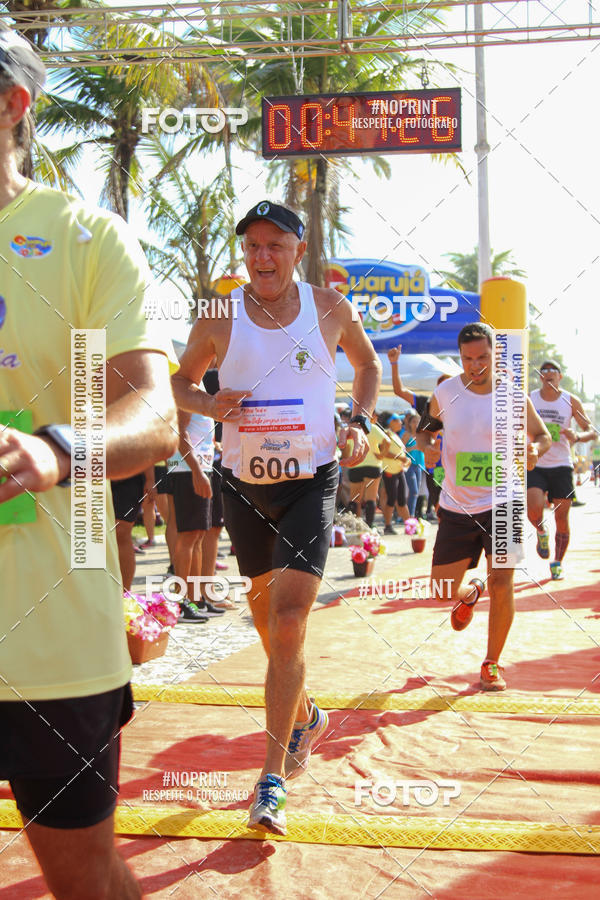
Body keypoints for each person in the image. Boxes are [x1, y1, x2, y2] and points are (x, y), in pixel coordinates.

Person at [0, 26, 178, 900]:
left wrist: (56, 448)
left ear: (12, 106)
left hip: (53, 635)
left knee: (84, 882)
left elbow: (152, 413)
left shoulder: (83, 240)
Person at [172, 200, 381, 835]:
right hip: (242, 487)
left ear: (297, 247)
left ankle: (269, 780)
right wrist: (210, 404)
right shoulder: (218, 314)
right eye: (253, 246)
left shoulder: (330, 309)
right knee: (267, 625)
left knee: (289, 624)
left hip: (311, 482)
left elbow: (367, 364)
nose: (263, 257)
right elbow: (179, 384)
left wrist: (361, 421)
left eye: (275, 246)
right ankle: (307, 714)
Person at [417, 323, 551, 691]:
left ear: (495, 355)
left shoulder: (512, 395)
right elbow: (425, 428)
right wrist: (427, 443)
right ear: (460, 357)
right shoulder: (445, 392)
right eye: (467, 359)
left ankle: (492, 662)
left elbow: (542, 435)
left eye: (482, 358)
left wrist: (536, 449)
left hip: (504, 501)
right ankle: (471, 592)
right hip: (457, 505)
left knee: (504, 581)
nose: (475, 366)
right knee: (443, 589)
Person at [527, 360, 597, 579]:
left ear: (560, 376)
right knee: (534, 508)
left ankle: (557, 562)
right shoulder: (531, 398)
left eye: (553, 371)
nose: (548, 374)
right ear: (540, 377)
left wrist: (577, 436)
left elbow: (592, 431)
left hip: (562, 465)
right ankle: (540, 531)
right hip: (536, 462)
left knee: (561, 518)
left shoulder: (570, 401)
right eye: (544, 371)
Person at [388, 344, 450, 517]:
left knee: (460, 511)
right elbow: (399, 391)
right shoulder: (427, 405)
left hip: (459, 468)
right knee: (441, 510)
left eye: (449, 388)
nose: (445, 392)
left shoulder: (463, 405)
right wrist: (394, 364)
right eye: (441, 388)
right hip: (436, 469)